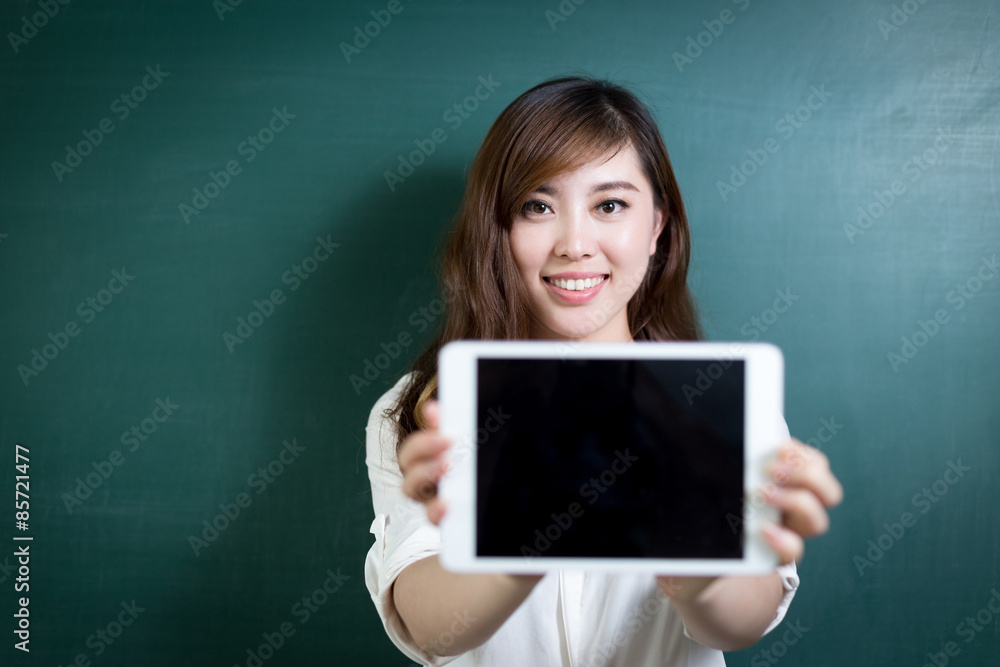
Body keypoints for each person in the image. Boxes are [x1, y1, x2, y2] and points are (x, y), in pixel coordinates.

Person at [364, 75, 843, 666]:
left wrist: (694, 566)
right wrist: (526, 536)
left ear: (656, 228)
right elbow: (431, 626)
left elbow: (744, 620)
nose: (574, 243)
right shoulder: (422, 412)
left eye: (609, 205)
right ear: (499, 230)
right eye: (537, 207)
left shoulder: (718, 402)